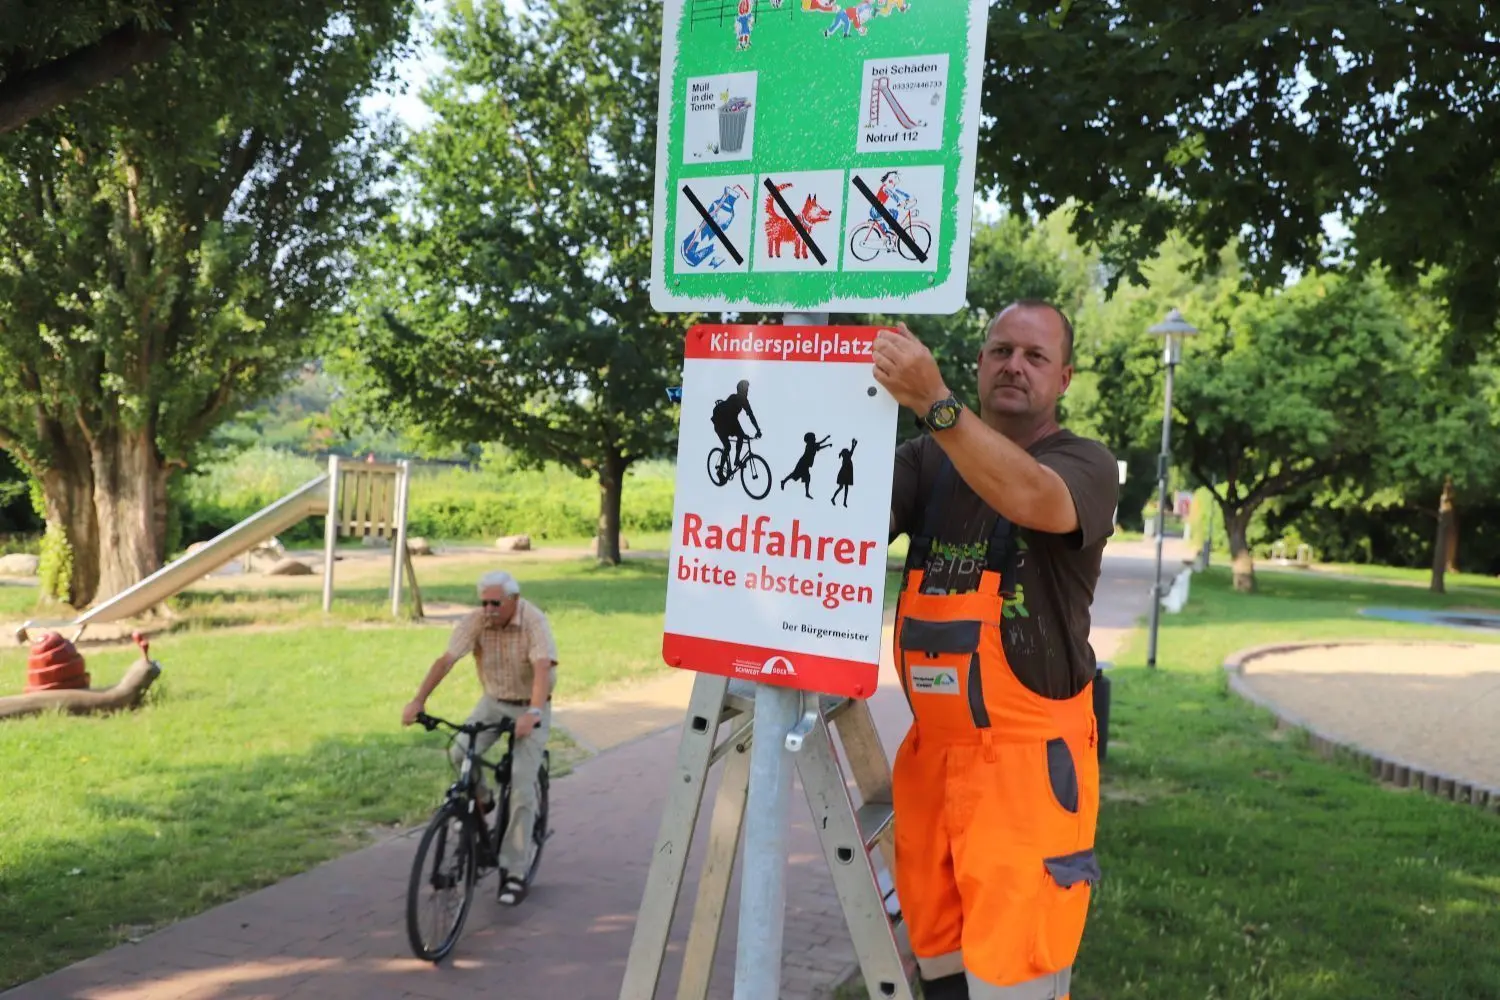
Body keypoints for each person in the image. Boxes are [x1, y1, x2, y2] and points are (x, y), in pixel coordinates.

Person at [871, 301, 1120, 1000]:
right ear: (979, 362)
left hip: (1027, 774)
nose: (1014, 365)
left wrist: (935, 404)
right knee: (942, 974)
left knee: (1014, 980)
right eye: (1000, 350)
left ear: (1063, 378)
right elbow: (850, 517)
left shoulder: (1086, 464)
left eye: (1035, 356)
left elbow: (1033, 498)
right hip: (931, 762)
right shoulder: (926, 462)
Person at [402, 569, 558, 906]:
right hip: (493, 702)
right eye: (483, 602)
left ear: (513, 601)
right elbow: (446, 660)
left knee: (519, 785)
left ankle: (515, 872)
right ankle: (483, 798)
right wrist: (418, 701)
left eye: (494, 603)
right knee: (460, 753)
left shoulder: (533, 620)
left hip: (532, 702)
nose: (488, 609)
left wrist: (532, 713)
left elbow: (543, 667)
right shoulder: (477, 621)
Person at [710, 379, 762, 481]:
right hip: (720, 424)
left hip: (730, 423)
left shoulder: (744, 401)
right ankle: (720, 471)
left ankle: (737, 460)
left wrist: (758, 429)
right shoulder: (733, 398)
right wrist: (742, 433)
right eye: (745, 390)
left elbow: (751, 416)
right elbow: (731, 419)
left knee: (741, 436)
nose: (747, 392)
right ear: (740, 391)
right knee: (728, 446)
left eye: (747, 390)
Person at [780, 431, 831, 497]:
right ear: (810, 439)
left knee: (806, 477)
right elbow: (820, 443)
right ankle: (784, 481)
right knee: (795, 474)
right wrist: (827, 440)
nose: (815, 439)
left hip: (805, 464)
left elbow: (819, 446)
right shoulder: (811, 445)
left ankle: (806, 493)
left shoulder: (813, 445)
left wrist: (827, 443)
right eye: (814, 438)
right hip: (803, 463)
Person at [831, 437, 857, 506]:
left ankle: (843, 501)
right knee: (842, 487)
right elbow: (852, 449)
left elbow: (852, 449)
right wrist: (853, 444)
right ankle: (835, 499)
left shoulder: (847, 457)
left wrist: (854, 444)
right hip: (845, 473)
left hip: (847, 473)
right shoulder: (847, 457)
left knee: (844, 488)